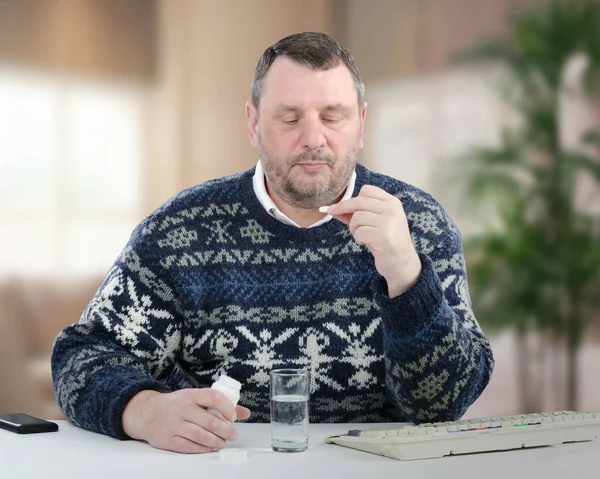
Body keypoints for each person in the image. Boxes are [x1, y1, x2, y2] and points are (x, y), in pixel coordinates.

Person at [51, 32, 494, 454]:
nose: (313, 138)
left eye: (333, 116)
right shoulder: (180, 230)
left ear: (360, 124)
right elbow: (82, 357)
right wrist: (143, 411)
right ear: (253, 123)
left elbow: (445, 405)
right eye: (289, 118)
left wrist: (406, 274)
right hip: (219, 464)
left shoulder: (421, 223)